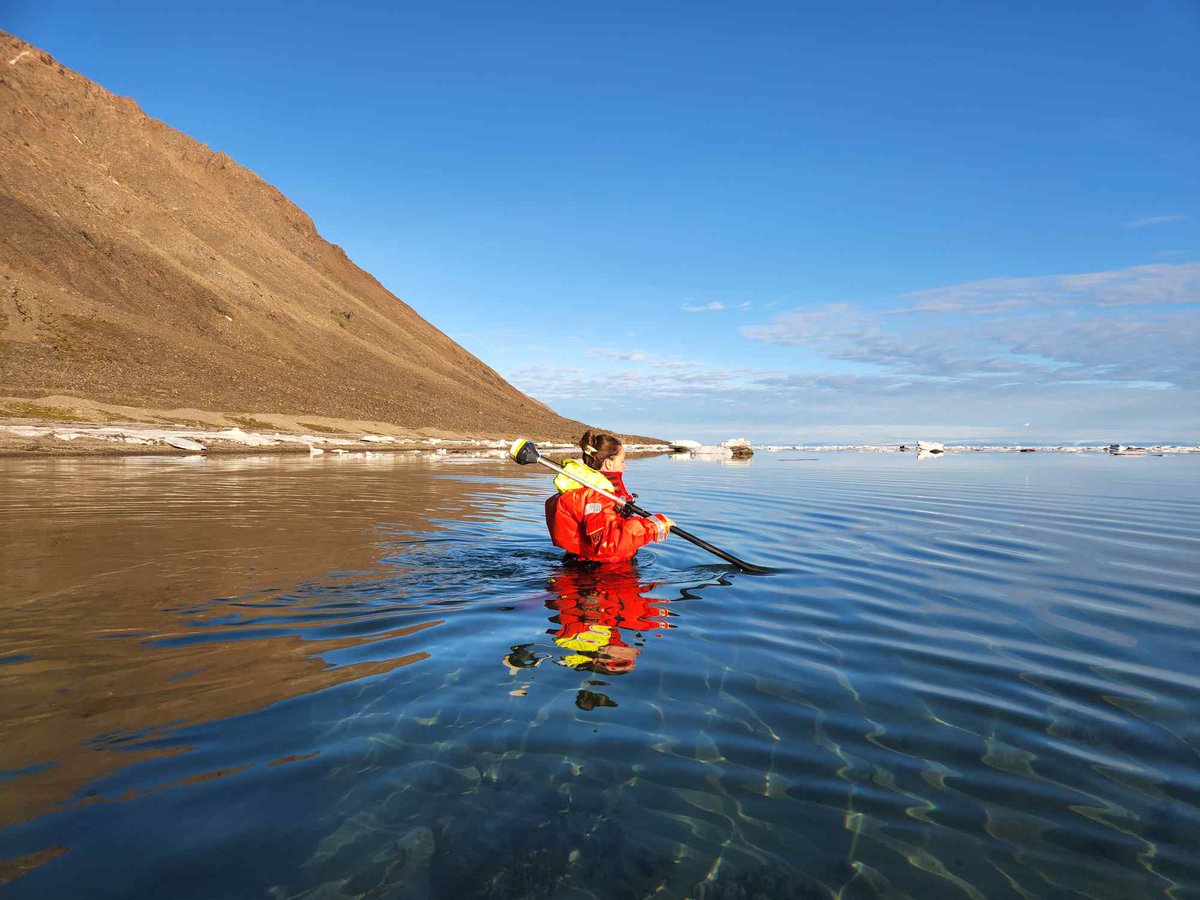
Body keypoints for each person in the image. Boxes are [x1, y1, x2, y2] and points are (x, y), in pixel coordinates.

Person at [544, 430, 673, 564]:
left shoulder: (599, 492)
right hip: (597, 575)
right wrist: (654, 526)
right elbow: (608, 543)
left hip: (593, 567)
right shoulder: (597, 496)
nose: (625, 465)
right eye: (622, 461)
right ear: (609, 463)